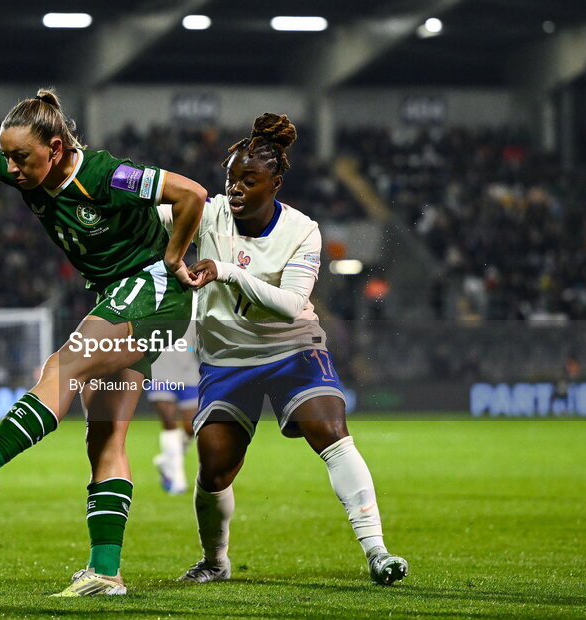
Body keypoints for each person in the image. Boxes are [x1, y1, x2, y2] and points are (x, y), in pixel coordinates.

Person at [0, 88, 207, 596]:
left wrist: (176, 256)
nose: (12, 168)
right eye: (7, 156)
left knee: (63, 366)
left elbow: (191, 194)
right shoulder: (21, 166)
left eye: (22, 157)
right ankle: (106, 573)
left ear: (58, 147)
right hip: (125, 295)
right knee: (104, 434)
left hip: (152, 290)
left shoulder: (106, 175)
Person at [158, 113, 408, 586]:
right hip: (228, 357)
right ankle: (215, 562)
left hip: (292, 348)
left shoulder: (302, 230)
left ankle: (377, 551)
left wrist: (229, 272)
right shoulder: (207, 212)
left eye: (248, 180)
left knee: (331, 430)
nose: (234, 189)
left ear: (275, 182)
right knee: (213, 465)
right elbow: (145, 210)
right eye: (231, 179)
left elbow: (293, 305)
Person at [147, 319, 198, 495]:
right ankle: (177, 479)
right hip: (159, 368)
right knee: (169, 421)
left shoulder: (196, 299)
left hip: (189, 369)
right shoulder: (152, 299)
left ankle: (166, 460)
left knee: (192, 427)